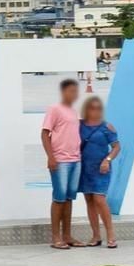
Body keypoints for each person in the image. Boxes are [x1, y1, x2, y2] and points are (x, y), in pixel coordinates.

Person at [43, 77, 83, 250]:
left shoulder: (74, 112)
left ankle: (67, 235)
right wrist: (51, 157)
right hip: (60, 161)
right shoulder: (54, 109)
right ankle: (56, 237)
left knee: (69, 198)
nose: (74, 94)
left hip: (75, 160)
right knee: (59, 198)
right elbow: (45, 134)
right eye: (71, 91)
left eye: (76, 91)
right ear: (63, 92)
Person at [77, 95, 121, 249]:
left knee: (99, 200)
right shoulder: (79, 125)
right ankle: (96, 235)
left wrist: (107, 160)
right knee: (89, 200)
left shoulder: (106, 127)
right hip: (84, 168)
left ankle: (111, 234)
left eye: (98, 108)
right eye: (91, 108)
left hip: (101, 168)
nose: (94, 111)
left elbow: (116, 147)